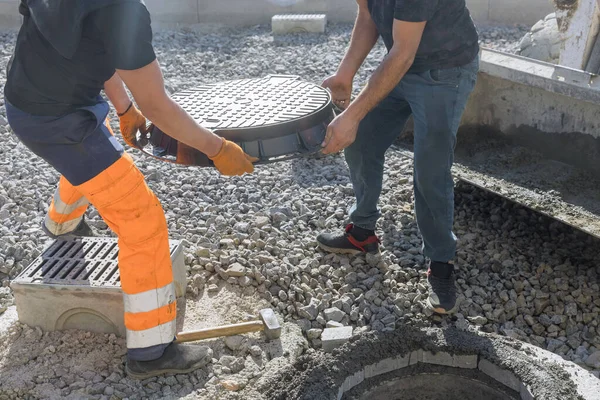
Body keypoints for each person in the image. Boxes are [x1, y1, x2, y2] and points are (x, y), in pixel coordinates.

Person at [4, 0, 256, 379]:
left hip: (28, 101)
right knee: (143, 222)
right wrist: (218, 149)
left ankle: (62, 225)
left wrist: (122, 108)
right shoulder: (123, 9)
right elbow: (157, 105)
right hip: (59, 121)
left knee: (96, 160)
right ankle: (151, 351)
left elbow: (91, 42)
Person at [317, 0, 480, 315]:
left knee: (430, 168)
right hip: (400, 61)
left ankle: (441, 262)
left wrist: (350, 115)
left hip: (444, 70)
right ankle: (362, 231)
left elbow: (403, 53)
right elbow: (367, 15)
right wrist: (345, 73)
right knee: (362, 139)